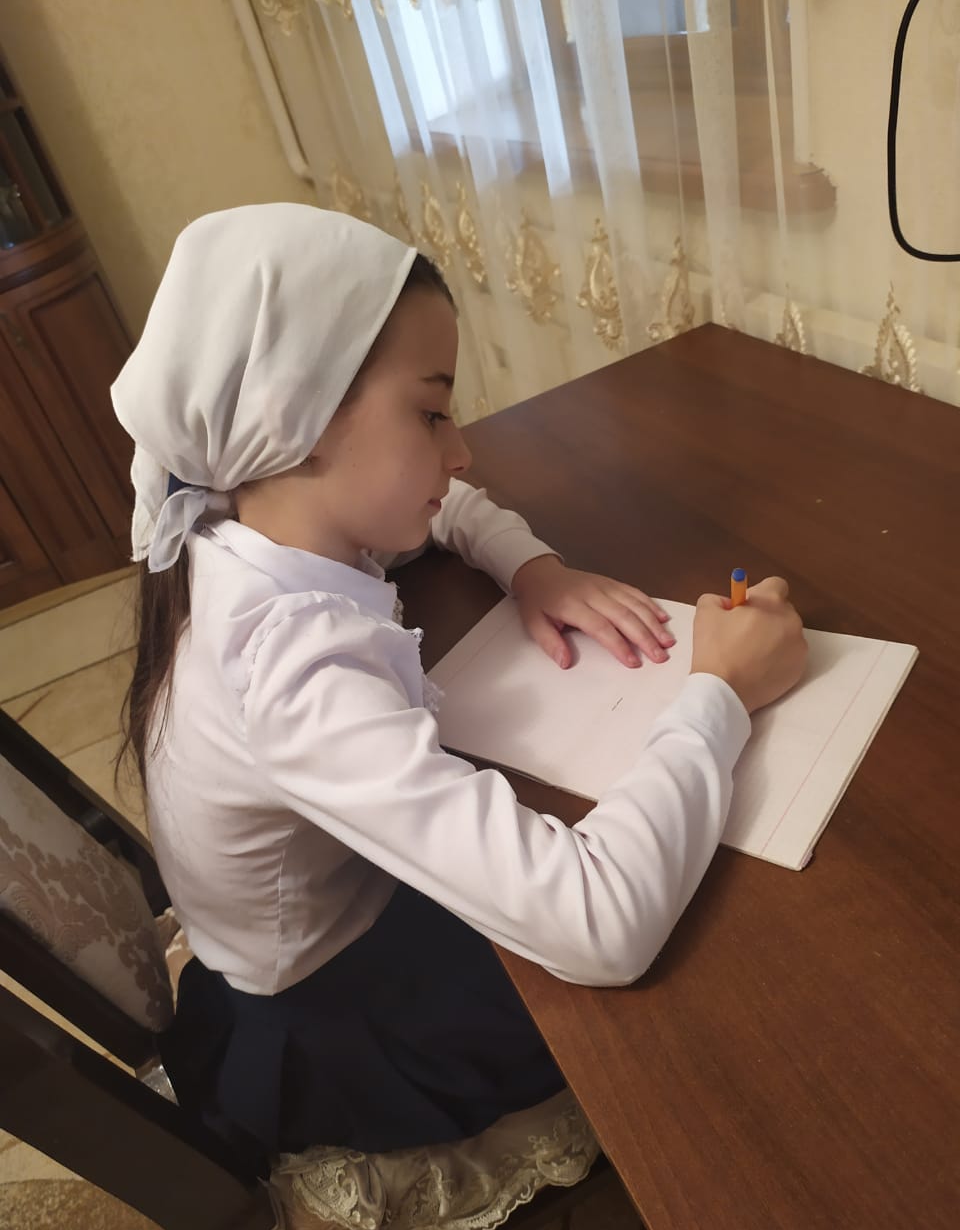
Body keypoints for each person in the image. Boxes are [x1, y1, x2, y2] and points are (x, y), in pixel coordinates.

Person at [113, 203, 806, 1163]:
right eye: (431, 411)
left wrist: (535, 569)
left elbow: (450, 506)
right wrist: (719, 691)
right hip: (342, 1007)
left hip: (351, 903)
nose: (461, 447)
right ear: (296, 419)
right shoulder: (290, 672)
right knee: (717, 981)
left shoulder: (256, 518)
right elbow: (601, 926)